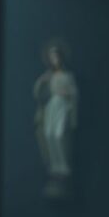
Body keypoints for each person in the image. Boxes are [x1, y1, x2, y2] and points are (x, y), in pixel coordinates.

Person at [33, 42, 79, 183]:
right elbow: (37, 92)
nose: (55, 60)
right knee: (49, 134)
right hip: (52, 105)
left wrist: (70, 105)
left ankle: (63, 165)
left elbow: (74, 93)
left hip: (63, 105)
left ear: (61, 58)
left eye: (56, 57)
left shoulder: (67, 75)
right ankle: (55, 165)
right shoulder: (49, 76)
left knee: (59, 135)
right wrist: (42, 81)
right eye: (52, 58)